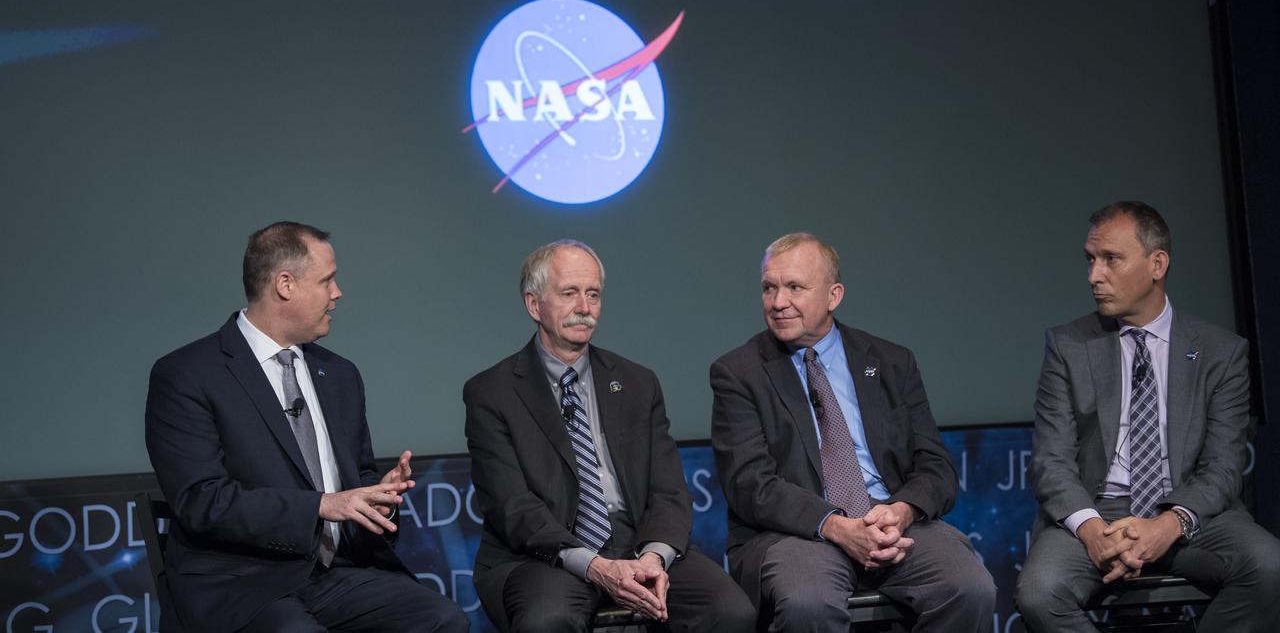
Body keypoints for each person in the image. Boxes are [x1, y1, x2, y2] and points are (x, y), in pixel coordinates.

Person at [145, 222, 468, 633]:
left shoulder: (340, 375)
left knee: (443, 620)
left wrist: (377, 498)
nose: (338, 293)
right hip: (240, 584)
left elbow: (357, 477)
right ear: (285, 285)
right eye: (327, 280)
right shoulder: (188, 374)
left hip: (334, 574)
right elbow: (202, 501)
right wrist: (321, 505)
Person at [463, 239, 755, 633]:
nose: (584, 307)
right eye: (569, 293)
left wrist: (653, 558)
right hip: (545, 556)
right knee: (547, 622)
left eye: (593, 294)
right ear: (534, 305)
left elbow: (669, 491)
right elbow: (512, 508)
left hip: (638, 544)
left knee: (731, 611)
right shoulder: (492, 392)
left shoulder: (637, 383)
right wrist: (596, 566)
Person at [710, 233, 994, 632]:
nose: (778, 302)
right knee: (808, 603)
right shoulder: (739, 373)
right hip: (796, 533)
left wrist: (902, 511)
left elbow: (935, 466)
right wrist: (836, 525)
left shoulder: (891, 362)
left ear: (834, 295)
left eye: (795, 287)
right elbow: (749, 483)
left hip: (889, 521)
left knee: (970, 588)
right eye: (769, 288)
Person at [1016, 201, 1280, 632]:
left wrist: (1169, 524)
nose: (1094, 275)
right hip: (1097, 510)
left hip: (1189, 510)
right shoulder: (1067, 346)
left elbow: (1223, 467)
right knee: (1039, 593)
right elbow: (1052, 461)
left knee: (1269, 568)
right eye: (1090, 259)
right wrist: (1093, 531)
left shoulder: (1222, 352)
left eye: (1111, 259)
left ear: (1157, 264)